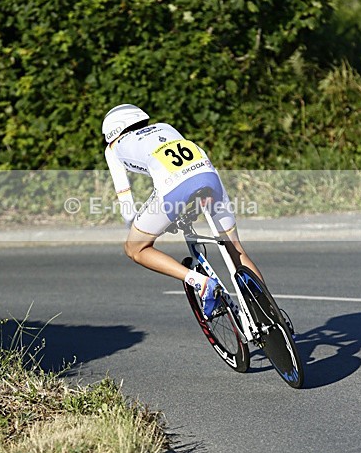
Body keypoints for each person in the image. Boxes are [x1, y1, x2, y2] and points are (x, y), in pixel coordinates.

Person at [102, 104, 263, 319]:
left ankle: (199, 282)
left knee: (135, 249)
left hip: (174, 187)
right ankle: (270, 315)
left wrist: (138, 225)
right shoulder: (164, 127)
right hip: (208, 176)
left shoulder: (114, 147)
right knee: (236, 250)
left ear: (113, 132)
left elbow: (127, 203)